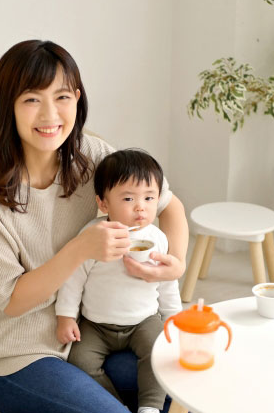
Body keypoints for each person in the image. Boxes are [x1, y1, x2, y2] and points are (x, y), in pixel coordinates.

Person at [0, 39, 189, 413]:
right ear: (7, 106)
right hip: (23, 356)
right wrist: (80, 249)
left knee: (190, 377)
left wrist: (175, 264)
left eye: (61, 97)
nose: (50, 114)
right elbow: (11, 301)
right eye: (32, 99)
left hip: (100, 332)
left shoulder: (94, 156)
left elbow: (170, 207)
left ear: (76, 99)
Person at [56, 149, 182, 413]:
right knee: (79, 361)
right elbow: (73, 278)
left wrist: (173, 319)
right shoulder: (93, 235)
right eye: (128, 198)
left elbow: (167, 282)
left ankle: (150, 407)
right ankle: (113, 404)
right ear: (103, 204)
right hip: (96, 325)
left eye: (149, 198)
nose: (140, 207)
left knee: (160, 354)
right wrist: (66, 317)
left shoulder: (158, 238)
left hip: (144, 321)